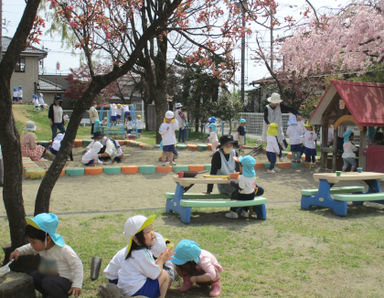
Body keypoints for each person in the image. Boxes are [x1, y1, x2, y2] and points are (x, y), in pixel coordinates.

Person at [9, 213, 83, 298]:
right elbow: (29, 248)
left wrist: (77, 284)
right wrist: (19, 251)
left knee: (48, 282)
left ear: (48, 239)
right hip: (51, 277)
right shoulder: (41, 247)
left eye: (33, 242)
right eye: (30, 242)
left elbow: (77, 265)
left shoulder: (64, 250)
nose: (31, 245)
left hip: (66, 282)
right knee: (34, 277)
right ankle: (50, 294)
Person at [107, 215, 173, 298]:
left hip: (124, 289)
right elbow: (155, 274)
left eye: (152, 229)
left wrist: (158, 261)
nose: (153, 234)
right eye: (148, 232)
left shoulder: (129, 251)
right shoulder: (143, 253)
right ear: (136, 239)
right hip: (138, 290)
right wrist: (162, 261)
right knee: (164, 274)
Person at [225, 155, 265, 219]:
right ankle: (245, 212)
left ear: (243, 167)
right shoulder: (253, 175)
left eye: (240, 166)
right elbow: (253, 185)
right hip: (251, 196)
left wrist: (231, 183)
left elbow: (240, 187)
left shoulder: (242, 177)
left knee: (234, 194)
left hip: (243, 196)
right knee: (247, 194)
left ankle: (233, 212)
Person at [262, 93, 297, 159]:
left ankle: (280, 155)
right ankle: (270, 157)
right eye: (276, 102)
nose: (277, 104)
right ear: (272, 102)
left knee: (279, 140)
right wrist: (268, 124)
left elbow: (289, 109)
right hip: (269, 128)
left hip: (277, 127)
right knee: (269, 142)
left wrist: (297, 113)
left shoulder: (279, 106)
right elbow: (265, 117)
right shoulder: (267, 108)